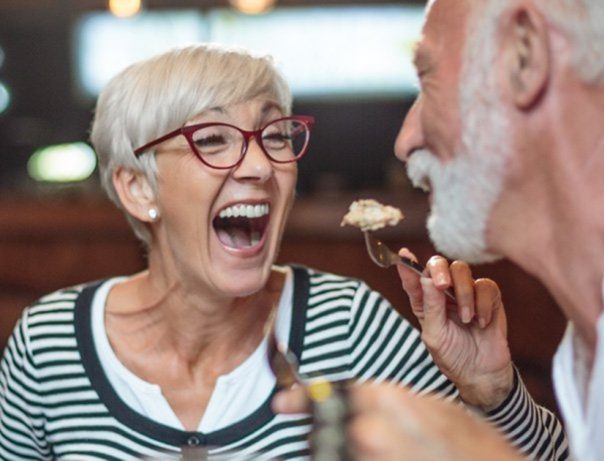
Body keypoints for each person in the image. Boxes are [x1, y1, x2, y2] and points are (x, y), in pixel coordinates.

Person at [0, 43, 567, 459]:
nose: (260, 166)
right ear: (137, 187)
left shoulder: (349, 329)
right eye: (213, 139)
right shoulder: (50, 348)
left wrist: (492, 394)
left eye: (275, 136)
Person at [277, 0, 604, 459]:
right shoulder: (596, 330)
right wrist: (497, 398)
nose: (406, 142)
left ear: (524, 56)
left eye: (427, 80)